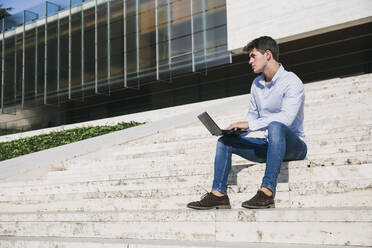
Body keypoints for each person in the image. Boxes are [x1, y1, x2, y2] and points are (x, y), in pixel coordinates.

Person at [187, 36, 307, 210]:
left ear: (267, 55)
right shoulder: (256, 84)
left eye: (253, 56)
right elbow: (252, 117)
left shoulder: (291, 81)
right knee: (224, 143)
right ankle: (218, 195)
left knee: (275, 126)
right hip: (269, 145)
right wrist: (237, 130)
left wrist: (250, 125)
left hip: (295, 146)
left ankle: (266, 192)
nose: (250, 61)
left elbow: (286, 119)